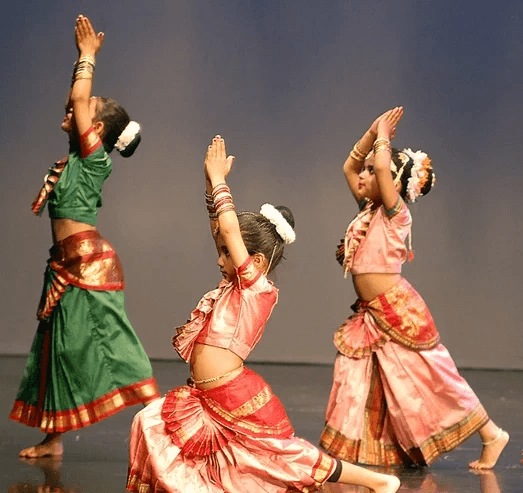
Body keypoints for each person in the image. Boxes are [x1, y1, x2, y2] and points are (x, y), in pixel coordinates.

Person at [126, 135, 400, 493]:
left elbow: (228, 229)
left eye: (227, 253)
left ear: (254, 260)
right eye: (221, 252)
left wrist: (219, 180)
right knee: (151, 425)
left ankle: (378, 481)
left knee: (288, 458)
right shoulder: (234, 284)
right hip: (208, 397)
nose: (220, 259)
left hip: (234, 396)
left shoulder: (256, 289)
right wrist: (210, 183)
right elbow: (220, 229)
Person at [319, 107, 509, 470]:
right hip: (372, 313)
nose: (364, 176)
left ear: (391, 184)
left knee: (434, 378)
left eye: (373, 173)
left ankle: (492, 434)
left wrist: (383, 138)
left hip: (397, 311)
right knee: (358, 373)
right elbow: (349, 167)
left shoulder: (396, 214)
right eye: (368, 171)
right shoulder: (369, 208)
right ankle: (359, 451)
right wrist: (371, 133)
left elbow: (380, 168)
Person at [9, 15, 160, 458]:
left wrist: (88, 56)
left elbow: (77, 97)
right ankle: (53, 440)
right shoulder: (76, 159)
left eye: (85, 109)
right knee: (57, 347)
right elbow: (74, 99)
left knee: (114, 342)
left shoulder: (96, 161)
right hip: (64, 264)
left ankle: (163, 421)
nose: (74, 107)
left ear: (98, 131)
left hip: (89, 266)